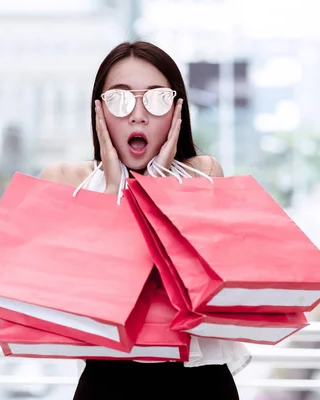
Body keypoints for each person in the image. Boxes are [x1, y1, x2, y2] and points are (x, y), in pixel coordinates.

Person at [40, 41, 250, 400]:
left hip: (199, 381)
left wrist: (160, 186)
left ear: (176, 110)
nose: (138, 115)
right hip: (107, 381)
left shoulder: (204, 175)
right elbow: (67, 298)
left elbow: (206, 290)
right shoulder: (64, 181)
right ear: (99, 110)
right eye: (120, 101)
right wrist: (110, 192)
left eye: (156, 100)